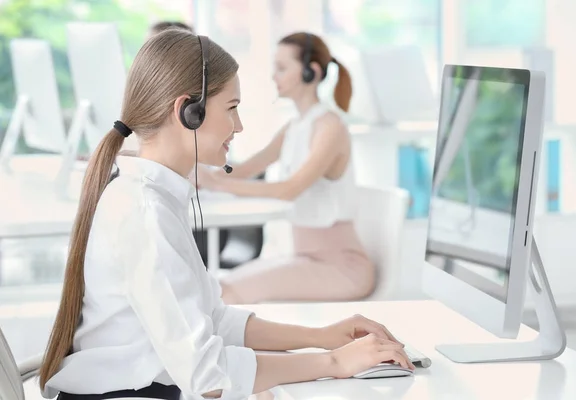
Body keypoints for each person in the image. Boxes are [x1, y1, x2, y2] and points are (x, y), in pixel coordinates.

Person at [38, 29, 412, 400]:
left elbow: (212, 320)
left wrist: (319, 337)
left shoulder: (154, 198)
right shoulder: (146, 211)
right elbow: (208, 375)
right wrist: (332, 363)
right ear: (189, 111)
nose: (239, 126)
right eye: (232, 108)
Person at [194, 32, 376, 305]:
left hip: (341, 269)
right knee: (217, 285)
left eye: (281, 68)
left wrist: (217, 184)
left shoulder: (330, 127)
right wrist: (200, 173)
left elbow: (290, 189)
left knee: (225, 291)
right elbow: (249, 167)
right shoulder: (295, 127)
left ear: (309, 72)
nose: (273, 76)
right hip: (306, 261)